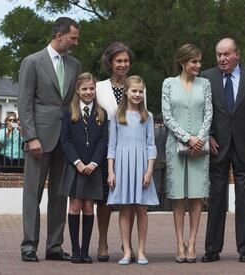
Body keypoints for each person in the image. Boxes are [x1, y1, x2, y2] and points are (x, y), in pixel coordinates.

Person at [18, 17, 81, 262]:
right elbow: (24, 104)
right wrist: (31, 136)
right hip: (39, 140)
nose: (75, 42)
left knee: (59, 194)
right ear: (59, 35)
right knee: (33, 193)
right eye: (73, 38)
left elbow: (73, 103)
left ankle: (54, 246)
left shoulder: (75, 64)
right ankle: (29, 247)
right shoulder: (32, 62)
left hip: (65, 141)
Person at [201, 38, 245, 263]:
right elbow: (203, 111)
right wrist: (207, 134)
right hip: (217, 146)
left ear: (237, 55)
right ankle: (212, 249)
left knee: (244, 198)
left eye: (226, 54)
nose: (222, 59)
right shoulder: (207, 77)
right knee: (216, 198)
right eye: (219, 54)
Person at [161, 44, 212, 263]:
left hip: (200, 148)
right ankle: (179, 242)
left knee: (196, 195)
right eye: (194, 61)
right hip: (176, 146)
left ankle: (192, 243)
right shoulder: (168, 84)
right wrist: (187, 138)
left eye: (200, 61)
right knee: (179, 197)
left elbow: (208, 113)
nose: (198, 65)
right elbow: (167, 116)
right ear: (183, 62)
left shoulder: (206, 84)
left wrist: (199, 139)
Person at [107, 75, 159, 265]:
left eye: (140, 91)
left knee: (142, 209)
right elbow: (111, 146)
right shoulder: (116, 116)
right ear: (126, 92)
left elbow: (151, 145)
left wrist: (149, 170)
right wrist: (111, 172)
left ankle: (142, 251)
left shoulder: (148, 116)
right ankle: (127, 251)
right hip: (122, 167)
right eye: (134, 91)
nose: (137, 94)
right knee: (125, 209)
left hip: (141, 167)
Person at [95, 42, 139, 262]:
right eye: (119, 60)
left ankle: (127, 244)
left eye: (126, 60)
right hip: (106, 150)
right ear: (110, 63)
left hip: (131, 151)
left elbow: (142, 116)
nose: (123, 64)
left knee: (128, 200)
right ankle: (102, 242)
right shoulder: (99, 87)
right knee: (105, 199)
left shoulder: (137, 85)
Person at [59, 73, 108, 264]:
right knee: (75, 205)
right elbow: (65, 140)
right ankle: (76, 251)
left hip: (93, 168)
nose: (88, 92)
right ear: (78, 91)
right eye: (84, 89)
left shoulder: (101, 113)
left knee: (88, 207)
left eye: (91, 88)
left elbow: (103, 141)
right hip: (75, 166)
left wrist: (94, 163)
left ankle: (86, 251)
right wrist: (78, 162)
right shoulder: (68, 112)